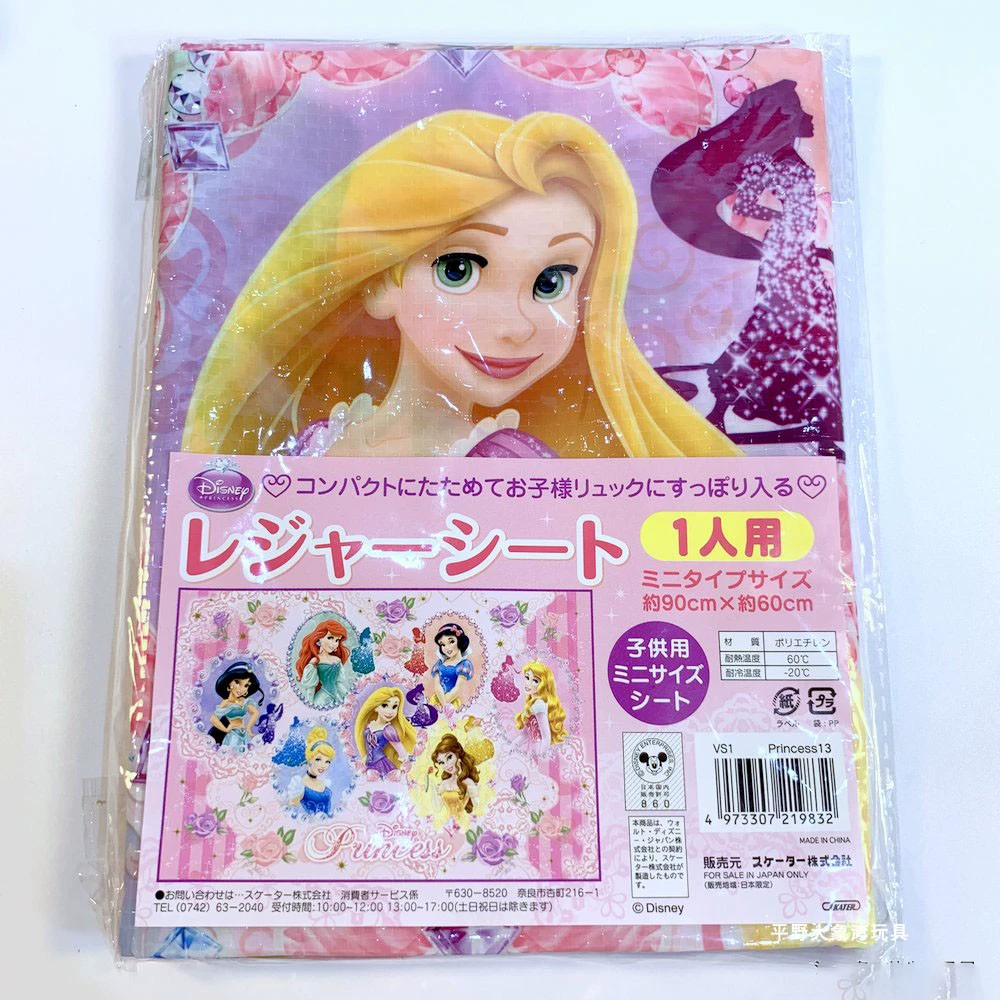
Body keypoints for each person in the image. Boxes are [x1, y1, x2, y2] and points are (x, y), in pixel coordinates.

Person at [182, 111, 740, 461]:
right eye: (459, 270)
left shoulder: (508, 468)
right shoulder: (324, 439)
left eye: (551, 281)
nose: (516, 326)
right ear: (380, 284)